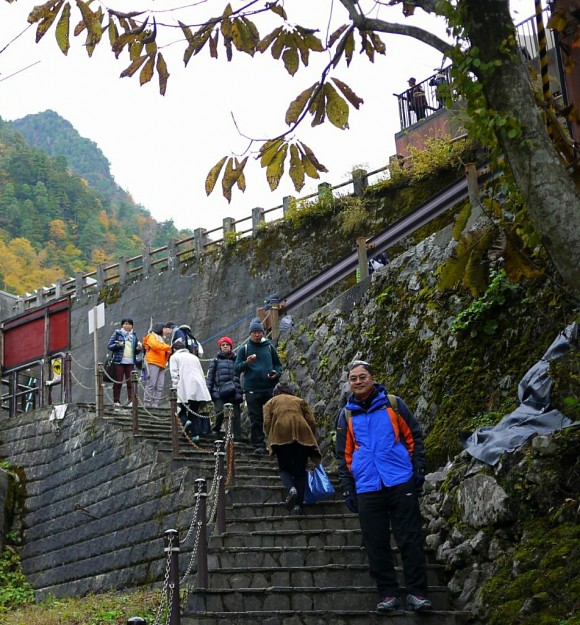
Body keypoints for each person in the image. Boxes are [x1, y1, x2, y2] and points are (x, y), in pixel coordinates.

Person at [335, 360, 432, 613]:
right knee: (375, 543)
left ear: (372, 379)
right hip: (367, 486)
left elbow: (414, 436)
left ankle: (417, 593)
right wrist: (348, 488)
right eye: (353, 378)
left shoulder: (393, 404)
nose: (358, 381)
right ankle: (388, 593)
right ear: (349, 383)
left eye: (362, 376)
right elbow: (343, 457)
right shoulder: (346, 416)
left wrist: (417, 470)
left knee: (409, 538)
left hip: (400, 480)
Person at [263, 381, 322, 516]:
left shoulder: (271, 402)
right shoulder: (300, 400)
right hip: (303, 434)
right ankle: (298, 506)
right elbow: (311, 420)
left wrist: (271, 437)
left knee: (284, 468)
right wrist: (309, 435)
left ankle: (291, 489)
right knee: (300, 471)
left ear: (276, 392)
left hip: (281, 434)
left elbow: (267, 422)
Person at [234, 317, 283, 455]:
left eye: (259, 332)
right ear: (250, 334)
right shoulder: (245, 348)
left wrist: (276, 374)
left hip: (269, 387)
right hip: (252, 389)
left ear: (263, 333)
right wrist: (247, 363)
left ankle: (275, 443)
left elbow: (278, 365)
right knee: (255, 418)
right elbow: (236, 368)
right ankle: (258, 445)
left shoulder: (269, 346)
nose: (257, 335)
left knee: (273, 417)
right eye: (254, 332)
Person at [170, 338, 212, 439]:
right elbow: (201, 373)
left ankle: (185, 421)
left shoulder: (175, 357)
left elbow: (175, 373)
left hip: (184, 385)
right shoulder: (194, 357)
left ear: (175, 349)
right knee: (194, 411)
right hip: (199, 385)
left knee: (179, 409)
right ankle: (195, 435)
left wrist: (175, 388)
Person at [206, 336, 244, 441]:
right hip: (219, 391)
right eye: (223, 345)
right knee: (219, 411)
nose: (225, 346)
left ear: (231, 346)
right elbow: (210, 377)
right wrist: (208, 391)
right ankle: (216, 429)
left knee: (236, 415)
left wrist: (242, 391)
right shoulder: (216, 361)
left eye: (227, 345)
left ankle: (237, 436)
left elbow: (242, 377)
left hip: (234, 391)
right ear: (220, 347)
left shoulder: (237, 361)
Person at [107, 317, 142, 407]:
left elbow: (135, 351)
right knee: (118, 381)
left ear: (132, 326)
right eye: (125, 324)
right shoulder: (117, 333)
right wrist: (118, 345)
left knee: (130, 382)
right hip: (119, 361)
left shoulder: (134, 336)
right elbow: (110, 346)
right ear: (122, 325)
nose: (127, 326)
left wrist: (138, 349)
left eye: (129, 324)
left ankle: (130, 401)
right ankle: (116, 401)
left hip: (130, 362)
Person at [142, 322, 172, 408]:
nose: (166, 330)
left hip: (162, 364)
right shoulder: (152, 336)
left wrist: (168, 351)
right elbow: (155, 346)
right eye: (164, 328)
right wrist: (168, 347)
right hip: (153, 362)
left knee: (160, 385)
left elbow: (163, 349)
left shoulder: (162, 339)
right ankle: (147, 404)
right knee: (151, 384)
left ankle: (155, 404)